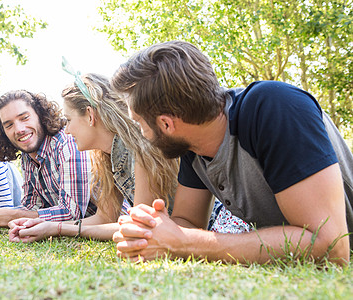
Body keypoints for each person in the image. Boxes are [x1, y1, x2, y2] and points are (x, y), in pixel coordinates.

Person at [111, 41, 353, 266]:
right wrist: (149, 231)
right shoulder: (192, 145)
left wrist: (184, 243)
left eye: (139, 122)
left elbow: (331, 247)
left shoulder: (274, 107)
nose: (141, 132)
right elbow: (188, 223)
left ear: (166, 124)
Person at [7, 73, 180, 242]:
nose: (66, 130)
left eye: (68, 120)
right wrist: (48, 226)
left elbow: (140, 226)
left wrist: (57, 228)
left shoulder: (140, 150)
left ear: (90, 115)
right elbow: (104, 219)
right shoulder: (107, 157)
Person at [0, 90, 94, 235]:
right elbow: (31, 207)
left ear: (40, 116)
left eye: (24, 118)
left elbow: (72, 213)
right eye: (9, 125)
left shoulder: (67, 144)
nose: (19, 129)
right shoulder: (28, 156)